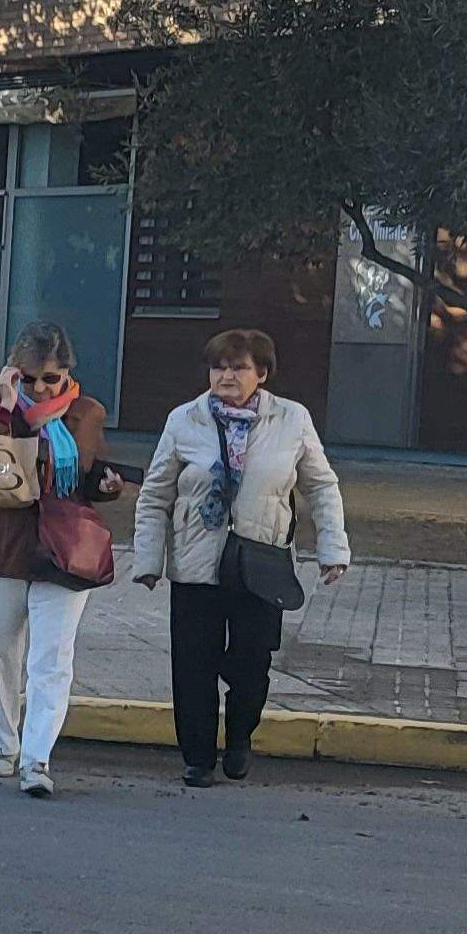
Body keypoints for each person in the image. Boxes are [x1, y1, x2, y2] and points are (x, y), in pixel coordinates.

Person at [133, 328, 351, 787]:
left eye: (238, 367)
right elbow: (155, 494)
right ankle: (197, 756)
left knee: (252, 665)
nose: (227, 375)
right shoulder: (184, 420)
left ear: (262, 374)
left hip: (262, 564)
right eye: (219, 367)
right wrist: (149, 559)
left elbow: (320, 486)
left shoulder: (292, 419)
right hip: (197, 562)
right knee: (193, 665)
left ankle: (239, 738)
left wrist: (332, 547)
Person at [0, 323, 131, 798]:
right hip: (1, 547)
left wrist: (106, 486)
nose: (41, 387)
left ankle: (37, 759)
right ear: (14, 372)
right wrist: (5, 405)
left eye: (51, 378)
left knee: (52, 657)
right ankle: (3, 745)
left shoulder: (86, 413)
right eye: (31, 377)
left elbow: (87, 475)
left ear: (67, 375)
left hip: (64, 548)